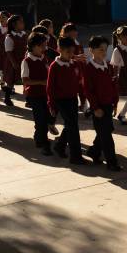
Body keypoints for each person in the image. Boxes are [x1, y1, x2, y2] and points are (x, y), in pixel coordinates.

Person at [82, 35, 121, 171]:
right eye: (100, 50)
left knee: (106, 130)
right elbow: (88, 90)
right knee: (106, 135)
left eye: (105, 49)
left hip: (108, 104)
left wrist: (115, 102)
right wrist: (95, 107)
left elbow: (113, 86)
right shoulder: (89, 68)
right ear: (91, 50)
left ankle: (94, 151)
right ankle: (112, 161)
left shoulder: (108, 66)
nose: (104, 53)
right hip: (98, 106)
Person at [48, 36, 84, 164]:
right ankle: (76, 156)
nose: (70, 54)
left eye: (72, 52)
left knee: (71, 125)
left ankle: (60, 146)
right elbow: (50, 88)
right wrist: (51, 105)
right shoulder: (54, 66)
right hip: (60, 101)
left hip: (73, 99)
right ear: (60, 50)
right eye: (67, 52)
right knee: (73, 127)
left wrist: (82, 99)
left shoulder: (75, 64)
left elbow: (80, 83)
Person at [22, 32, 52, 150]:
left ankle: (39, 135)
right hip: (35, 95)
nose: (45, 48)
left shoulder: (44, 58)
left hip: (46, 94)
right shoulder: (27, 61)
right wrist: (41, 82)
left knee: (46, 117)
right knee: (40, 119)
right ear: (34, 46)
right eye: (42, 46)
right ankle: (42, 141)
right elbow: (26, 81)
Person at [1, 14, 28, 106]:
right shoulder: (9, 37)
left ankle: (28, 99)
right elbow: (8, 52)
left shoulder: (24, 34)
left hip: (23, 61)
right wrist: (14, 63)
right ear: (14, 25)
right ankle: (7, 98)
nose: (23, 24)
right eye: (20, 22)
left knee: (26, 79)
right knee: (10, 81)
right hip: (13, 62)